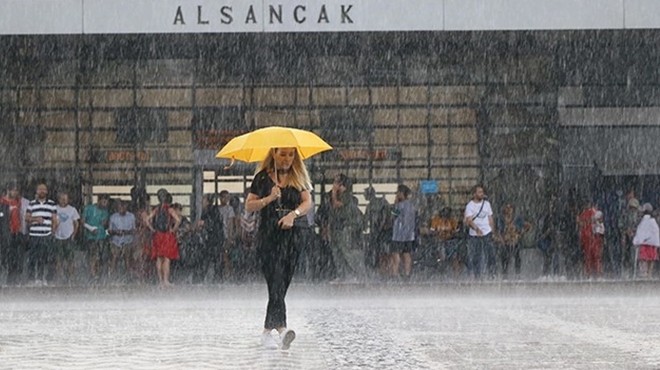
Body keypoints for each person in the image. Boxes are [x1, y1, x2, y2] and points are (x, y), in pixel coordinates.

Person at [245, 147, 313, 350]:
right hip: (268, 237)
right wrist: (268, 199)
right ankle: (282, 330)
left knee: (281, 285)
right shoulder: (262, 178)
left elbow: (307, 202)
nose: (286, 159)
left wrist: (293, 214)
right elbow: (249, 206)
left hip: (292, 238)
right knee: (274, 279)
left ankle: (267, 332)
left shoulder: (298, 177)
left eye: (291, 155)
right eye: (282, 154)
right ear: (273, 154)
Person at [25, 182, 58, 286]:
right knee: (33, 258)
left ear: (47, 191)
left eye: (44, 189)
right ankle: (33, 279)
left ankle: (48, 279)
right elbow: (26, 218)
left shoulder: (52, 204)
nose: (42, 191)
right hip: (34, 235)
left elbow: (54, 219)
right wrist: (36, 219)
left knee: (47, 258)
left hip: (46, 235)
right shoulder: (31, 203)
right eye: (40, 189)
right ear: (36, 191)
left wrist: (52, 232)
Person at [146, 189, 181, 288]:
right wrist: (173, 229)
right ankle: (166, 280)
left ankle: (160, 281)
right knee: (166, 258)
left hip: (157, 235)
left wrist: (152, 229)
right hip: (167, 235)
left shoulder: (156, 209)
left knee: (158, 257)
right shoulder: (169, 209)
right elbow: (178, 220)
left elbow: (147, 219)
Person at [464, 185, 495, 280]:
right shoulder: (470, 206)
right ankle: (477, 276)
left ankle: (491, 274)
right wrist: (476, 229)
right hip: (475, 234)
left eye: (482, 192)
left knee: (490, 254)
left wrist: (492, 230)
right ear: (474, 194)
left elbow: (490, 218)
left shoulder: (487, 204)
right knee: (476, 255)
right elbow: (469, 220)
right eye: (479, 192)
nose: (481, 194)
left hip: (487, 232)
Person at [495, 203, 531, 280]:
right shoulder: (501, 218)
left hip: (515, 241)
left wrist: (520, 233)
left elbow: (528, 226)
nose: (509, 209)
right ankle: (505, 275)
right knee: (504, 258)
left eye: (510, 207)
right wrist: (502, 240)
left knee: (517, 257)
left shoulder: (517, 218)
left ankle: (518, 274)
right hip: (505, 241)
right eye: (507, 207)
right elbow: (499, 231)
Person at [1, 182, 26, 285]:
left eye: (17, 191)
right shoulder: (2, 202)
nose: (15, 193)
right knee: (5, 257)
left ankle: (12, 279)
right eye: (14, 190)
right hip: (5, 233)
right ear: (8, 190)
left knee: (15, 257)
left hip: (16, 233)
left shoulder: (17, 202)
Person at [364, 186, 392, 276]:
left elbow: (366, 220)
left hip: (376, 232)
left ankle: (379, 269)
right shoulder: (383, 201)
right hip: (385, 231)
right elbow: (393, 212)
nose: (364, 196)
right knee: (385, 251)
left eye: (365, 194)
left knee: (376, 251)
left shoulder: (370, 206)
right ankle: (387, 269)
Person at [82, 194, 110, 283]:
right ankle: (93, 275)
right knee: (93, 256)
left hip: (102, 237)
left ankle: (98, 275)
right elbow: (82, 222)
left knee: (101, 258)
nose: (105, 204)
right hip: (91, 237)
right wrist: (90, 228)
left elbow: (105, 224)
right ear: (99, 200)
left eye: (107, 202)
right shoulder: (89, 208)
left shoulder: (106, 212)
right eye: (104, 201)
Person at [390, 184, 416, 279]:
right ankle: (407, 274)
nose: (396, 195)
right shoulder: (411, 206)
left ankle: (395, 274)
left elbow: (393, 215)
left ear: (401, 193)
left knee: (395, 254)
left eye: (397, 193)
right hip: (409, 235)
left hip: (398, 235)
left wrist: (395, 203)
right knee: (407, 254)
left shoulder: (399, 205)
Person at [54, 192, 80, 285]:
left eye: (65, 198)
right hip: (57, 237)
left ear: (68, 199)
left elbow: (76, 223)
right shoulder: (55, 208)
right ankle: (59, 279)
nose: (63, 200)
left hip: (69, 237)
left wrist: (73, 235)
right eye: (61, 198)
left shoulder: (72, 210)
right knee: (58, 259)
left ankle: (71, 279)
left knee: (70, 259)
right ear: (58, 199)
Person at [107, 200, 136, 282]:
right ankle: (112, 277)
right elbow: (109, 231)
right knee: (114, 258)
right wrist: (116, 232)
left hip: (128, 240)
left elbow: (134, 230)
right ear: (117, 208)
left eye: (123, 207)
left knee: (127, 259)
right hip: (116, 241)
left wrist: (126, 232)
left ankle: (129, 278)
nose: (121, 209)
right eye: (120, 207)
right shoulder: (113, 217)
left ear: (126, 207)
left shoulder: (131, 216)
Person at [633, 203, 659, 279]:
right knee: (651, 259)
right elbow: (656, 232)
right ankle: (649, 274)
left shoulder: (642, 222)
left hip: (644, 243)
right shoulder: (653, 221)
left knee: (644, 258)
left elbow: (640, 232)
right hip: (652, 244)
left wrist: (637, 241)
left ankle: (644, 273)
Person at [577, 200, 602, 279]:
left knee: (588, 257)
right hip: (593, 238)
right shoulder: (595, 213)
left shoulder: (583, 214)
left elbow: (580, 226)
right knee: (596, 257)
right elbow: (599, 227)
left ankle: (589, 274)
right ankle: (597, 274)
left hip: (587, 238)